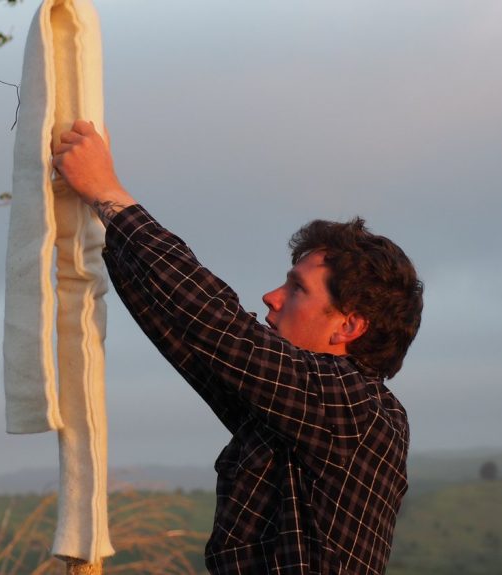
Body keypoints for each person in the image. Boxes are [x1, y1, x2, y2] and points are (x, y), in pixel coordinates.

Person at [52, 119, 424, 575]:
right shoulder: (295, 413)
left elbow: (219, 326)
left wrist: (109, 195)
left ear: (347, 326)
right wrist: (100, 215)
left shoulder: (355, 406)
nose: (271, 297)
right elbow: (189, 336)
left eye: (297, 289)